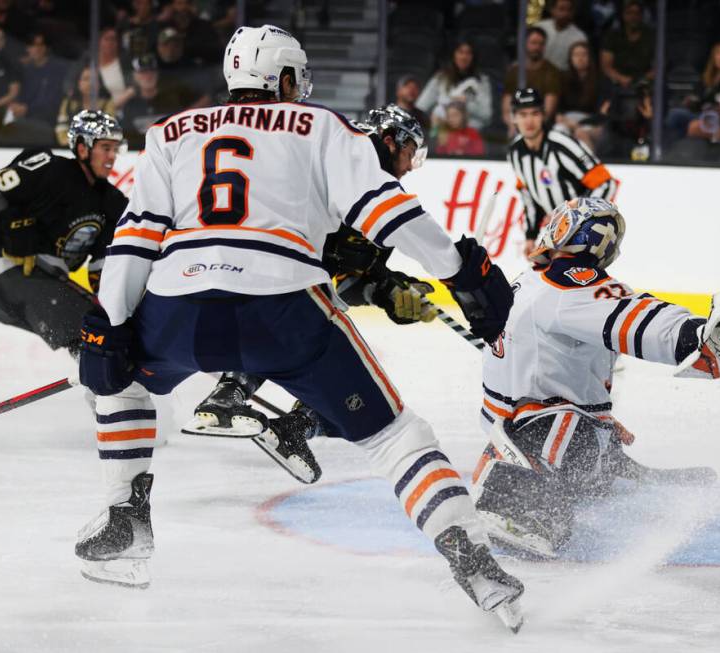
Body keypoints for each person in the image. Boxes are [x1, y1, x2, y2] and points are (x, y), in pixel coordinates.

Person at [73, 25, 524, 632]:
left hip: (180, 306)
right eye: (298, 75)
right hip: (283, 307)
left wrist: (114, 322)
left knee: (120, 385)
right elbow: (389, 216)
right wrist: (463, 273)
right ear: (284, 79)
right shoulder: (323, 127)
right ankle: (469, 554)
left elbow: (136, 239)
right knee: (393, 435)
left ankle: (124, 520)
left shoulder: (170, 132)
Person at [470, 197, 720, 557]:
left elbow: (545, 365)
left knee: (588, 432)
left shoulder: (533, 280)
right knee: (581, 434)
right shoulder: (569, 283)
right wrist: (695, 335)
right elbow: (631, 315)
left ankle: (595, 466)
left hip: (509, 423)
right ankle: (519, 505)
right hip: (530, 438)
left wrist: (596, 414)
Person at [187, 103, 439, 466]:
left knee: (320, 344)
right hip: (265, 280)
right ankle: (235, 396)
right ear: (389, 142)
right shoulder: (338, 171)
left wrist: (391, 291)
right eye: (408, 155)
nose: (408, 168)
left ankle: (290, 423)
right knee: (301, 334)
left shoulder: (380, 199)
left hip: (284, 292)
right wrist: (383, 285)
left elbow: (351, 280)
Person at [0, 110, 128, 357]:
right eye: (105, 147)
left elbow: (102, 268)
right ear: (82, 148)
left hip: (50, 283)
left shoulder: (113, 203)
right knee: (93, 330)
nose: (112, 156)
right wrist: (11, 226)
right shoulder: (49, 168)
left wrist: (117, 305)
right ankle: (98, 375)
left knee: (108, 326)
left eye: (116, 149)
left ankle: (100, 379)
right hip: (6, 276)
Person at [507, 88, 620, 256]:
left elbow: (606, 183)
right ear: (514, 118)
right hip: (555, 236)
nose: (529, 120)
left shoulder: (562, 144)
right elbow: (529, 197)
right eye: (523, 115)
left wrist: (577, 218)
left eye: (534, 113)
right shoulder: (515, 153)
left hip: (582, 234)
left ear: (543, 115)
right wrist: (530, 236)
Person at [416, 41, 493, 130]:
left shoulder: (482, 81)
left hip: (469, 135)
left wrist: (467, 105)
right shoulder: (441, 77)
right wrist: (434, 119)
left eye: (468, 53)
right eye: (460, 52)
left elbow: (487, 115)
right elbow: (421, 106)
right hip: (442, 133)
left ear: (473, 57)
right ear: (454, 55)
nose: (464, 57)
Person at [502, 27, 562, 134]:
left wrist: (530, 125)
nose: (537, 47)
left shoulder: (552, 72)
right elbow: (506, 108)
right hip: (516, 121)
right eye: (533, 43)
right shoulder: (514, 71)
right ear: (525, 44)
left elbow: (548, 110)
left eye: (541, 44)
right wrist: (513, 124)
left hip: (541, 123)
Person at [55, 67, 118, 146]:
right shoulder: (68, 103)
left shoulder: (107, 103)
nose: (90, 83)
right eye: (85, 79)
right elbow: (61, 128)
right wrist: (72, 144)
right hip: (70, 147)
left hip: (98, 148)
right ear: (78, 83)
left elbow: (110, 131)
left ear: (99, 84)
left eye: (94, 80)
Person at [534, 0, 589, 71]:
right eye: (561, 9)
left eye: (569, 10)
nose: (565, 14)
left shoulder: (580, 37)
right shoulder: (539, 28)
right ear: (552, 10)